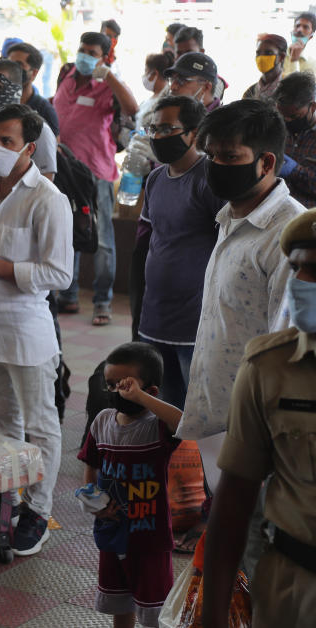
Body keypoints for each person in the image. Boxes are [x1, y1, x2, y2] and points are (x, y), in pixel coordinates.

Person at [176, 100, 304, 564]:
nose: (215, 167)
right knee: (236, 553)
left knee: (254, 558)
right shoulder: (231, 216)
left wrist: (262, 439)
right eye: (210, 155)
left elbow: (285, 346)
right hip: (221, 419)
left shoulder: (288, 232)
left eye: (229, 158)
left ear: (265, 162)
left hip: (256, 433)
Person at [0, 103, 72, 555]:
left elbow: (58, 274)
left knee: (41, 423)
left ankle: (39, 512)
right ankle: (13, 498)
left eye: (7, 141)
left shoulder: (47, 198)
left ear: (29, 147)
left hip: (25, 327)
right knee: (3, 419)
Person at [203, 209, 316, 628]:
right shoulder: (269, 366)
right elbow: (234, 500)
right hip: (291, 587)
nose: (302, 284)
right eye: (297, 268)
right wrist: (212, 616)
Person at [78, 342, 182, 628]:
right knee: (119, 600)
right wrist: (93, 501)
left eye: (126, 386)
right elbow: (91, 466)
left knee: (154, 608)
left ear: (151, 392)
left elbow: (184, 423)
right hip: (112, 532)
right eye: (111, 385)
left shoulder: (156, 426)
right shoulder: (102, 422)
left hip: (150, 537)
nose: (118, 392)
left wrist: (141, 398)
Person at [136, 97, 224, 410]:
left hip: (195, 322)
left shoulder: (211, 179)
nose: (158, 136)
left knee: (196, 413)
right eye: (154, 129)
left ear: (194, 133)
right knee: (162, 411)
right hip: (155, 317)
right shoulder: (157, 178)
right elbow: (151, 241)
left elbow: (226, 247)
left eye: (168, 129)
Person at [55, 31, 138, 325]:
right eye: (82, 49)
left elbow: (132, 109)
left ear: (103, 58)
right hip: (64, 170)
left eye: (92, 52)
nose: (85, 56)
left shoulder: (106, 86)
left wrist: (110, 76)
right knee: (67, 235)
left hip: (96, 172)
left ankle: (102, 302)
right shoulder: (66, 74)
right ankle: (69, 295)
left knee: (102, 239)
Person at [275, 71, 316, 208]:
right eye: (283, 116)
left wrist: (295, 170)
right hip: (275, 212)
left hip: (308, 220)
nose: (287, 121)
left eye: (294, 116)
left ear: (313, 107)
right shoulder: (277, 129)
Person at [6, 42, 60, 134]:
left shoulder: (44, 109)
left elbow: (54, 145)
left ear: (34, 73)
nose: (11, 69)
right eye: (9, 63)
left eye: (19, 65)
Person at [244, 34, 287, 101]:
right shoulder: (250, 92)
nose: (261, 58)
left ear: (281, 57)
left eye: (268, 53)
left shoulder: (289, 89)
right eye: (258, 53)